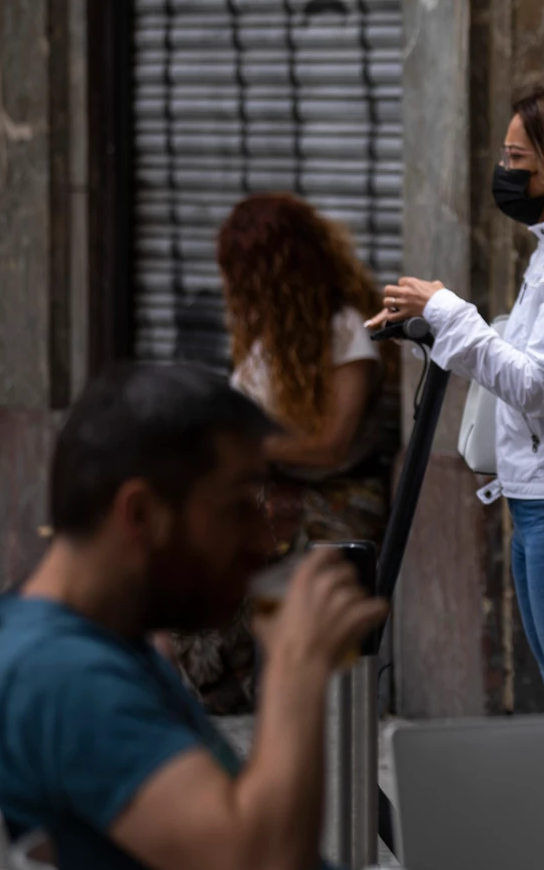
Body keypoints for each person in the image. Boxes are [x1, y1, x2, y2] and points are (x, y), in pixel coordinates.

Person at [0, 364, 431, 870]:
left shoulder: (97, 643)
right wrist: (294, 669)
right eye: (237, 510)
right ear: (140, 513)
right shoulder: (54, 675)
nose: (265, 543)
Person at [370, 87, 544, 713]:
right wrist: (427, 321)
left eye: (515, 158)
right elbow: (523, 364)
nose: (504, 172)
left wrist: (446, 309)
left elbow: (533, 382)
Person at [166, 193, 397, 713]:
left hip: (333, 497)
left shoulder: (344, 332)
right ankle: (215, 682)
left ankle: (245, 684)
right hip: (271, 486)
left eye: (241, 273)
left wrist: (247, 448)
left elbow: (331, 444)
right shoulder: (268, 338)